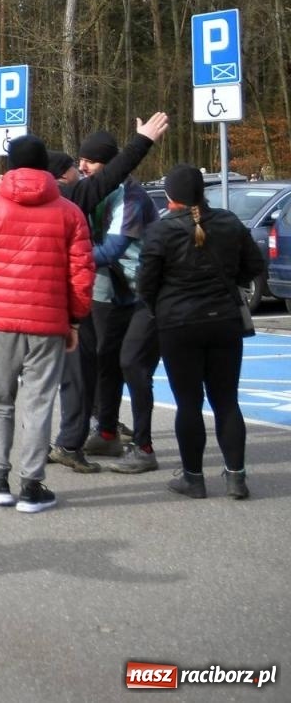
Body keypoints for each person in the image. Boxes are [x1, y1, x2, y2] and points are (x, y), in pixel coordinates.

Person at [0, 134, 93, 515]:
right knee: (39, 403)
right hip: (49, 323)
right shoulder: (69, 212)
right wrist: (74, 320)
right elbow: (81, 274)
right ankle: (32, 486)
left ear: (10, 167)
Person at [137, 164, 265, 500]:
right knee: (226, 402)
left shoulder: (161, 231)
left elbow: (145, 283)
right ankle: (236, 477)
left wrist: (160, 307)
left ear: (169, 196)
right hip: (224, 321)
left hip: (178, 325)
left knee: (189, 404)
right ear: (202, 192)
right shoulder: (229, 222)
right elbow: (254, 266)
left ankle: (193, 478)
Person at [78, 151, 159, 472]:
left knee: (133, 365)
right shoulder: (97, 193)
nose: (82, 166)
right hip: (120, 294)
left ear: (110, 166)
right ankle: (108, 433)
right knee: (106, 359)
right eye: (80, 159)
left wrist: (67, 255)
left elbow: (113, 248)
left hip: (147, 295)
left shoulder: (131, 198)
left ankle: (144, 448)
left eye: (90, 161)